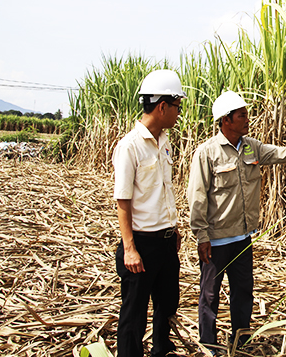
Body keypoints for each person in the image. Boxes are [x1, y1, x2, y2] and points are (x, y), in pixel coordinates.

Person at [188, 91, 286, 351]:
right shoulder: (207, 153)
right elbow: (197, 197)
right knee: (209, 294)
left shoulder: (252, 147)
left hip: (243, 238)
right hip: (217, 240)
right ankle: (209, 345)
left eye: (246, 114)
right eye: (241, 115)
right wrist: (201, 236)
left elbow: (283, 154)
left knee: (243, 292)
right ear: (226, 120)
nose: (247, 119)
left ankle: (241, 340)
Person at [112, 69, 186, 357]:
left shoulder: (164, 141)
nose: (179, 112)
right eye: (177, 106)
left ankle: (161, 351)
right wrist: (130, 248)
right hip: (141, 245)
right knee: (134, 314)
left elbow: (163, 189)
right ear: (162, 106)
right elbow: (123, 200)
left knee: (167, 305)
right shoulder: (130, 146)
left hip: (165, 241)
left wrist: (173, 228)